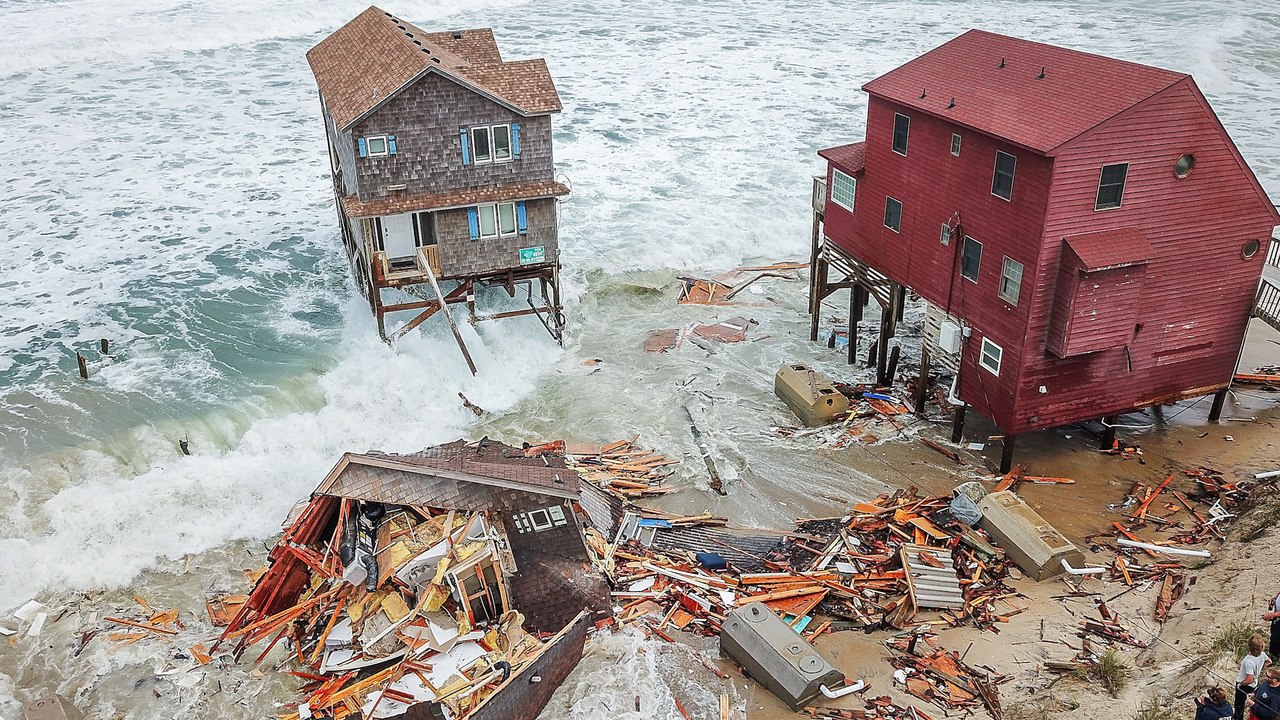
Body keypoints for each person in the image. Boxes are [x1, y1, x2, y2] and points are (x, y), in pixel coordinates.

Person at [1238, 635, 1273, 720]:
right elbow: (1269, 661)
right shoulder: (1262, 654)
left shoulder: (1248, 661)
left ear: (1249, 646)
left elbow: (1250, 679)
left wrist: (1240, 684)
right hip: (1255, 684)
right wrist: (1260, 668)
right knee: (1251, 701)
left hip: (1245, 685)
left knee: (1239, 705)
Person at [1264, 591, 1280, 660]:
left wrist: (1272, 615)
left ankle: (1274, 659)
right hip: (1276, 620)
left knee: (1275, 639)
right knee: (1274, 639)